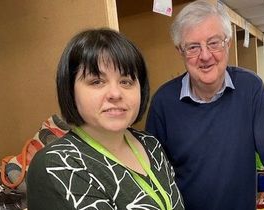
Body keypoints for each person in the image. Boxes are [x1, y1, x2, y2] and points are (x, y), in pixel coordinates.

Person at [145, 1, 264, 209]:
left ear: (227, 43)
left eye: (214, 43)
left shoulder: (250, 88)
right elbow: (154, 179)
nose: (205, 55)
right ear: (180, 51)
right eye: (193, 47)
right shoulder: (163, 102)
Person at [27, 28, 184, 210]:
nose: (115, 94)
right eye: (97, 81)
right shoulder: (57, 165)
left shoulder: (151, 144)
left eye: (126, 81)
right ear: (70, 90)